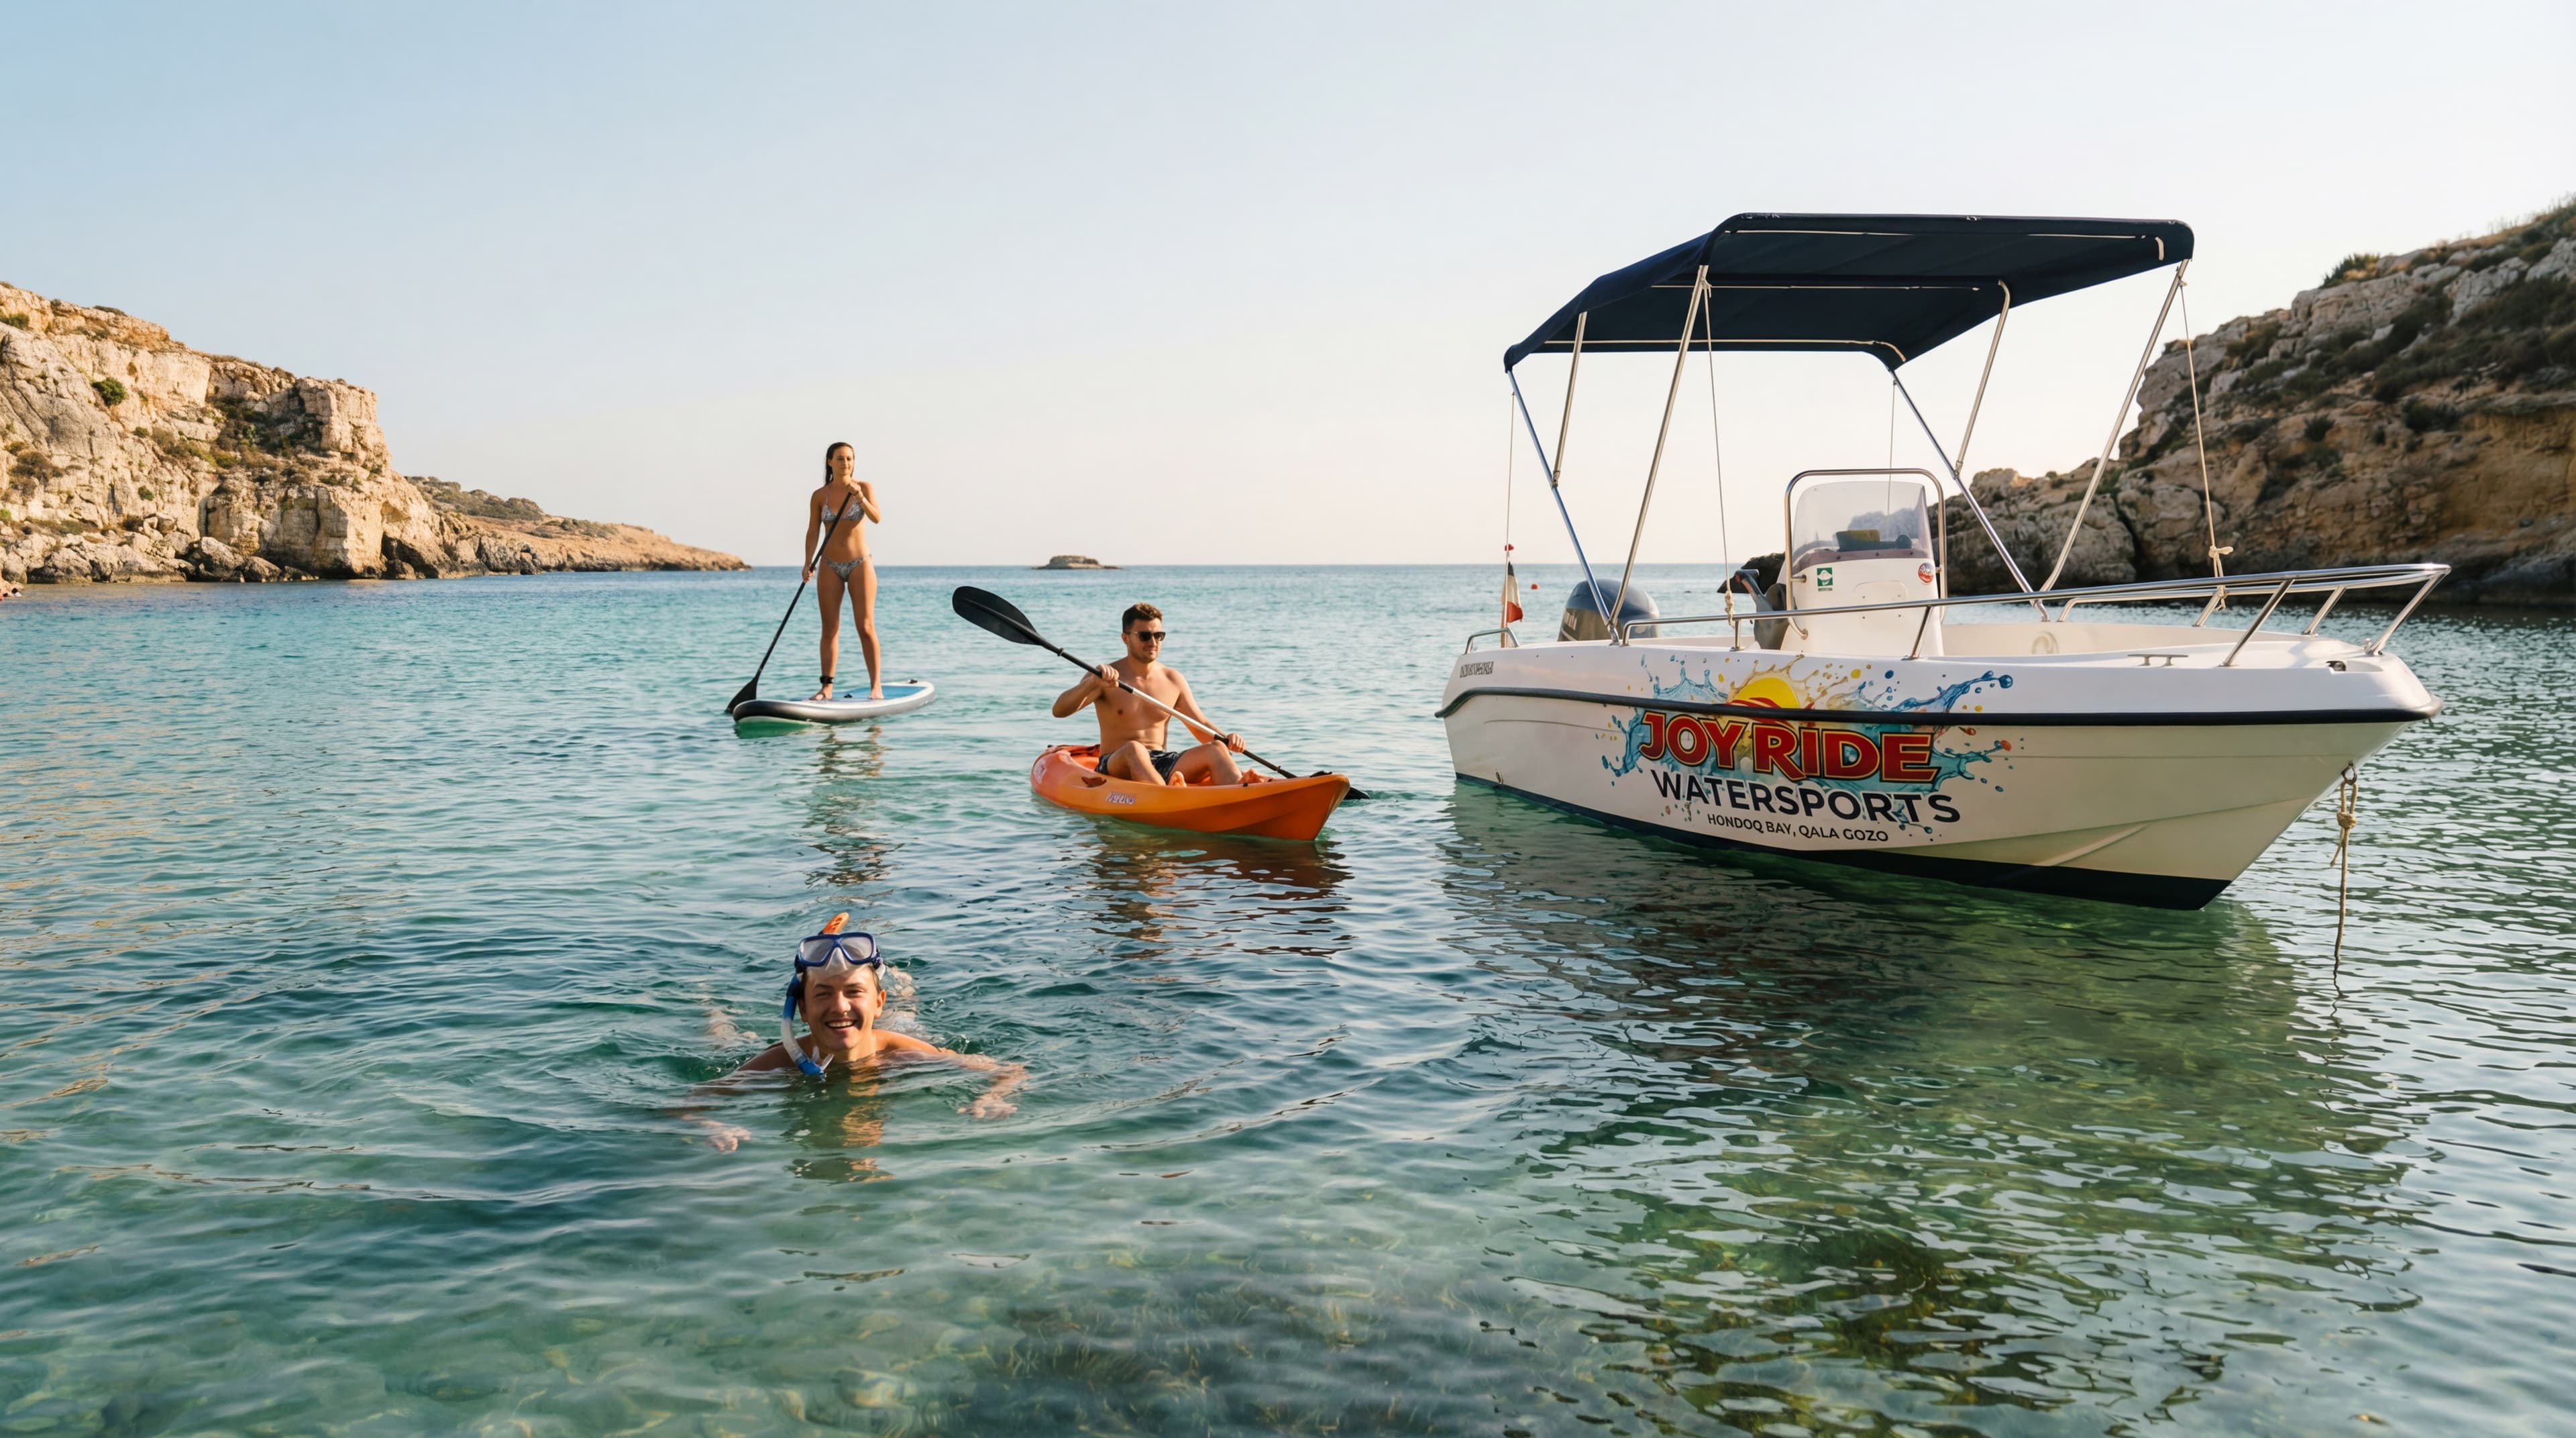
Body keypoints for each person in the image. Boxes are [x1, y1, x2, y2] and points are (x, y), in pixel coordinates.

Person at [697, 913, 1024, 1149]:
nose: (839, 1006)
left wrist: (994, 1096)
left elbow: (1009, 1071)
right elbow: (690, 1103)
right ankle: (708, 1002)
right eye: (823, 993)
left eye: (854, 991)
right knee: (729, 1041)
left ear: (878, 1002)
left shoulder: (903, 1053)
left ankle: (902, 989)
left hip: (894, 1029)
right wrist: (708, 1124)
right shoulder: (779, 1063)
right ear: (803, 1010)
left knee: (906, 1018)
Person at [1050, 601, 1248, 786]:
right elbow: (1059, 711)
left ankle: (1243, 799)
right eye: (1145, 636)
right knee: (1135, 749)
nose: (1153, 642)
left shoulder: (1173, 679)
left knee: (1216, 750)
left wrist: (1227, 739)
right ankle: (1169, 799)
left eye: (1158, 636)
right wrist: (1091, 683)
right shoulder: (1105, 677)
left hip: (1161, 761)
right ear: (1125, 638)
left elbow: (1200, 726)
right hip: (1117, 762)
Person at [801, 442, 882, 701]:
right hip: (829, 566)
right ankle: (826, 688)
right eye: (840, 459)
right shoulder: (819, 496)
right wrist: (807, 562)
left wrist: (859, 496)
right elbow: (813, 531)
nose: (845, 463)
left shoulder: (865, 487)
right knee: (829, 629)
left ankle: (876, 686)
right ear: (829, 462)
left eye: (849, 459)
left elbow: (876, 517)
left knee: (866, 627)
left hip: (860, 563)